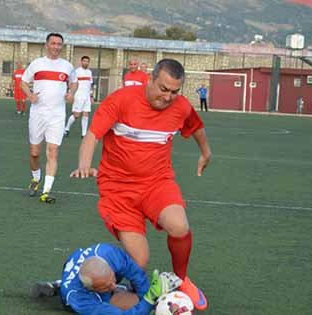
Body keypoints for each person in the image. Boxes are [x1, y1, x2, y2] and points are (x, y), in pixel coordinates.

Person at [70, 59, 212, 311]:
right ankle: (87, 288)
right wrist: (84, 163)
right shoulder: (120, 100)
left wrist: (205, 153)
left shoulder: (180, 107)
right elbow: (92, 135)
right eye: (163, 88)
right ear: (150, 79)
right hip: (118, 190)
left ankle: (181, 279)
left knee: (179, 226)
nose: (168, 96)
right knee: (140, 262)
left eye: (174, 92)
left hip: (157, 183)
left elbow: (197, 128)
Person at [33, 243, 181, 315]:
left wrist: (148, 293)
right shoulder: (79, 298)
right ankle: (61, 288)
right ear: (90, 288)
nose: (113, 286)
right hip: (75, 292)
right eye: (105, 286)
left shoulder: (109, 253)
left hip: (78, 266)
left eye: (112, 281)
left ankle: (58, 283)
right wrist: (149, 300)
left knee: (133, 293)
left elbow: (137, 275)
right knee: (133, 304)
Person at [20, 32, 78, 203]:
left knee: (53, 152)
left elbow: (74, 82)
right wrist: (30, 96)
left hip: (57, 115)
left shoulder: (67, 66)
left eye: (59, 44)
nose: (56, 47)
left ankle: (46, 191)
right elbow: (23, 82)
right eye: (53, 43)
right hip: (38, 113)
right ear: (46, 45)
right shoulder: (37, 64)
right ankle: (36, 179)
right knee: (35, 153)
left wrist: (71, 92)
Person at [65, 56, 94, 138]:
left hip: (87, 97)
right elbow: (71, 83)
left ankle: (84, 134)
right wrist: (71, 94)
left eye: (87, 61)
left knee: (86, 114)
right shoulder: (76, 71)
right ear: (81, 62)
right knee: (76, 115)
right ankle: (66, 129)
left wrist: (91, 96)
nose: (86, 63)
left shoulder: (89, 72)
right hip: (78, 96)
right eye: (84, 61)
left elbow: (90, 84)